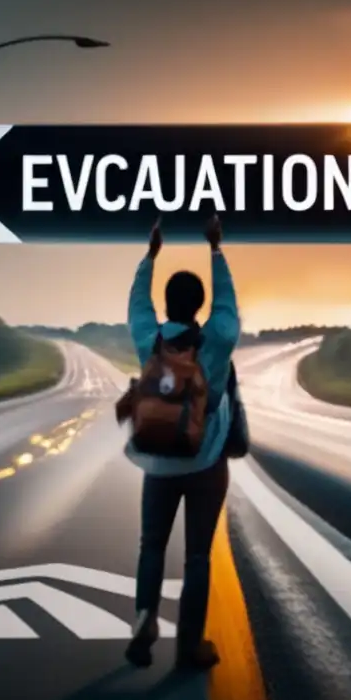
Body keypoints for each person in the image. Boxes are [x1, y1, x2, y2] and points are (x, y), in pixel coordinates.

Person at [121, 214, 240, 671]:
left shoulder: (148, 339)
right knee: (196, 556)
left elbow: (136, 303)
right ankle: (190, 646)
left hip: (157, 461)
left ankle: (145, 620)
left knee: (151, 545)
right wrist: (216, 248)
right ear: (200, 306)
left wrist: (150, 256)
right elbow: (227, 306)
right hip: (206, 462)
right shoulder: (218, 340)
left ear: (167, 306)